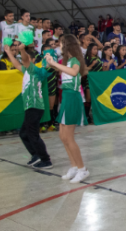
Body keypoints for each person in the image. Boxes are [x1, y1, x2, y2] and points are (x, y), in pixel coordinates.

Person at [44, 34, 90, 183]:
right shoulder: (67, 61)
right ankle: (74, 166)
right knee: (63, 136)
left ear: (67, 45)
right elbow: (54, 69)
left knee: (69, 138)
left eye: (61, 43)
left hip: (72, 98)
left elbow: (74, 72)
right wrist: (48, 62)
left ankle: (82, 169)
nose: (59, 45)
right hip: (66, 97)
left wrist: (54, 64)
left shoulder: (75, 61)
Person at [4, 42, 53, 169]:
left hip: (35, 106)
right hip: (30, 106)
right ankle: (36, 155)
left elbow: (24, 59)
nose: (23, 60)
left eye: (25, 59)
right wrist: (9, 52)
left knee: (32, 134)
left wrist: (22, 50)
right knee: (24, 134)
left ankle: (46, 159)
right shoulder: (27, 71)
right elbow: (17, 64)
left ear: (32, 60)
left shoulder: (35, 70)